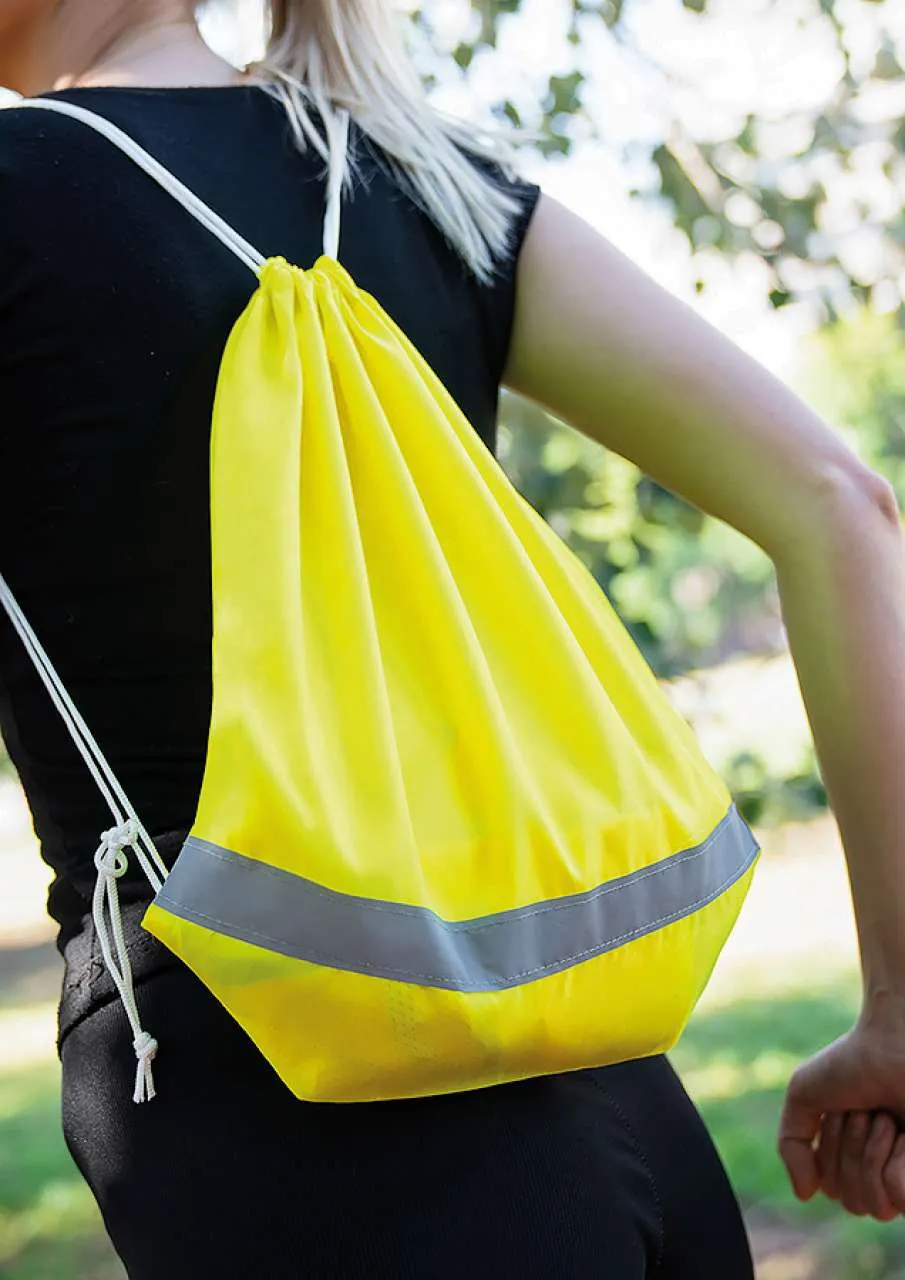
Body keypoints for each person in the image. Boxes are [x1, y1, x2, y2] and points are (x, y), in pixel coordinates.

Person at [1, 1, 904, 1276]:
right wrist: (898, 1007)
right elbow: (840, 504)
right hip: (612, 1101)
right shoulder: (432, 183)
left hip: (277, 1121)